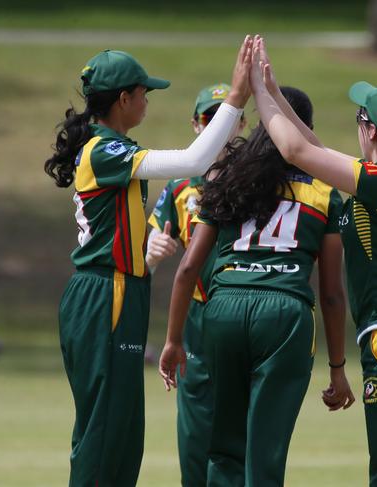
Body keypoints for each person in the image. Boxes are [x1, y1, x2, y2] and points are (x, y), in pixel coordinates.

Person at [250, 36, 377, 486]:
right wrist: (275, 95)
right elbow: (315, 150)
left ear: (371, 130)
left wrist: (259, 94)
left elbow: (295, 153)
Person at [44, 38, 253, 487]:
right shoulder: (105, 150)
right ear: (123, 99)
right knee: (104, 434)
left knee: (122, 436)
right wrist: (235, 100)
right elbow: (194, 159)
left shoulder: (113, 147)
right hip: (105, 294)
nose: (146, 102)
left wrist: (146, 258)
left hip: (120, 289)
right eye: (143, 94)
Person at [159, 84, 355, 486]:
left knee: (224, 448)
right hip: (284, 314)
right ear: (305, 129)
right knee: (264, 451)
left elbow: (187, 269)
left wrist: (174, 339)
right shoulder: (323, 194)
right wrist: (337, 368)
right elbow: (332, 294)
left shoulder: (227, 182)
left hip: (224, 308)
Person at [145, 82, 247, 486]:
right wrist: (152, 253)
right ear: (196, 125)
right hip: (196, 320)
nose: (219, 129)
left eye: (230, 120)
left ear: (241, 125)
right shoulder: (179, 187)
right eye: (209, 120)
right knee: (193, 439)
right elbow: (143, 263)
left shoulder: (255, 184)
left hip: (242, 312)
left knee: (240, 435)